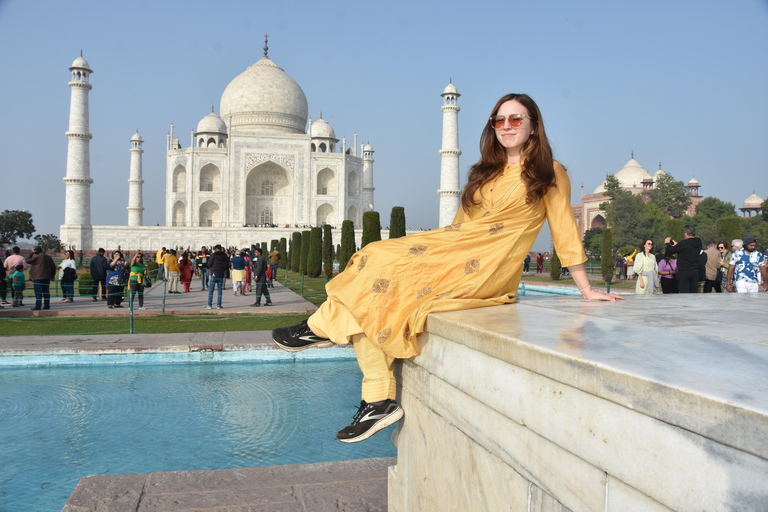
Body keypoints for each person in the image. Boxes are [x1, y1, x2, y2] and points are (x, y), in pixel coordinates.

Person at [271, 93, 622, 444]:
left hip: (488, 268)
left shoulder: (549, 173)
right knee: (375, 275)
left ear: (533, 126)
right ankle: (376, 401)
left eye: (516, 119)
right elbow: (459, 226)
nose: (506, 127)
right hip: (457, 251)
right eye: (498, 121)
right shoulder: (486, 172)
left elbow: (564, 229)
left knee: (377, 261)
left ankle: (319, 329)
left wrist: (587, 288)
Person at [664, 225, 702, 293]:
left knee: (684, 291)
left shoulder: (684, 243)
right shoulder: (698, 242)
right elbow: (688, 248)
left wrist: (667, 243)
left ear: (685, 233)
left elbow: (670, 250)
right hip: (694, 270)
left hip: (684, 270)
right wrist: (677, 245)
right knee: (693, 291)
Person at [27, 246, 57, 310]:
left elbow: (28, 260)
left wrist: (31, 253)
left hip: (37, 277)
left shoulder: (36, 257)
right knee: (46, 292)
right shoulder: (48, 257)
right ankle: (47, 305)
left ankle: (38, 306)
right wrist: (52, 276)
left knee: (38, 293)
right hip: (46, 277)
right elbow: (53, 267)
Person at [206, 244, 230, 309]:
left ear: (216, 249)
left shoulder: (214, 255)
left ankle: (209, 305)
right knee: (220, 290)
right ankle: (219, 305)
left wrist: (212, 267)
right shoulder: (225, 256)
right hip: (221, 274)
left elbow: (209, 264)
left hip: (214, 273)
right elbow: (227, 265)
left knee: (211, 290)